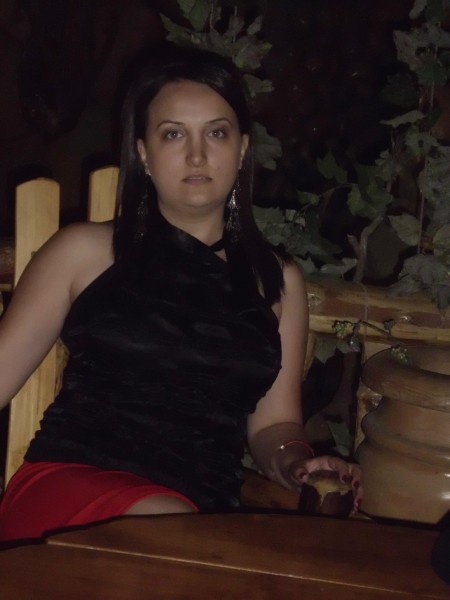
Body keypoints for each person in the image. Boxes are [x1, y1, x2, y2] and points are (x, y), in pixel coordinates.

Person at [0, 46, 361, 542]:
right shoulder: (85, 252)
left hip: (200, 513)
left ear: (242, 149)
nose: (197, 154)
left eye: (216, 133)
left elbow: (274, 427)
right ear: (143, 153)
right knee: (170, 526)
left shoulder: (275, 280)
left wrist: (296, 462)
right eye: (173, 134)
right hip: (74, 490)